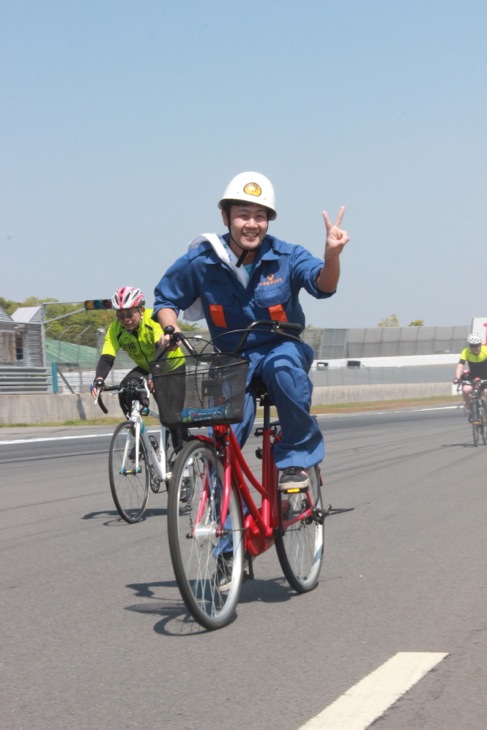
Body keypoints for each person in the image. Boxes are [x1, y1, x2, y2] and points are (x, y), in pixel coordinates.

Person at [152, 171, 350, 490]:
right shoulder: (202, 261)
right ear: (225, 216)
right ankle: (222, 531)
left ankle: (296, 461)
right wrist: (171, 329)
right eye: (243, 215)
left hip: (281, 347)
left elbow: (323, 285)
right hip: (232, 360)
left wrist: (331, 257)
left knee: (285, 372)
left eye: (260, 216)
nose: (252, 224)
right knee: (221, 440)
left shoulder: (286, 256)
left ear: (268, 221)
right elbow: (165, 298)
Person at [90, 286, 187, 451]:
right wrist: (99, 380)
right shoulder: (115, 329)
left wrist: (154, 376)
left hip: (170, 366)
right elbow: (107, 357)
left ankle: (183, 455)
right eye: (121, 316)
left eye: (130, 314)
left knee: (171, 416)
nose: (126, 319)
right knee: (125, 389)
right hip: (145, 367)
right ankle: (140, 440)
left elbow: (161, 349)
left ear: (141, 309)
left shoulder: (153, 320)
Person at [452, 332, 487, 416]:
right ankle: (468, 406)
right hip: (473, 376)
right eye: (472, 346)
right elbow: (461, 365)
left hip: (485, 375)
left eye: (477, 345)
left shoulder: (485, 350)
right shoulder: (466, 351)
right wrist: (457, 377)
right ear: (469, 345)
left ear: (480, 344)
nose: (475, 348)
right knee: (466, 390)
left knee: (486, 392)